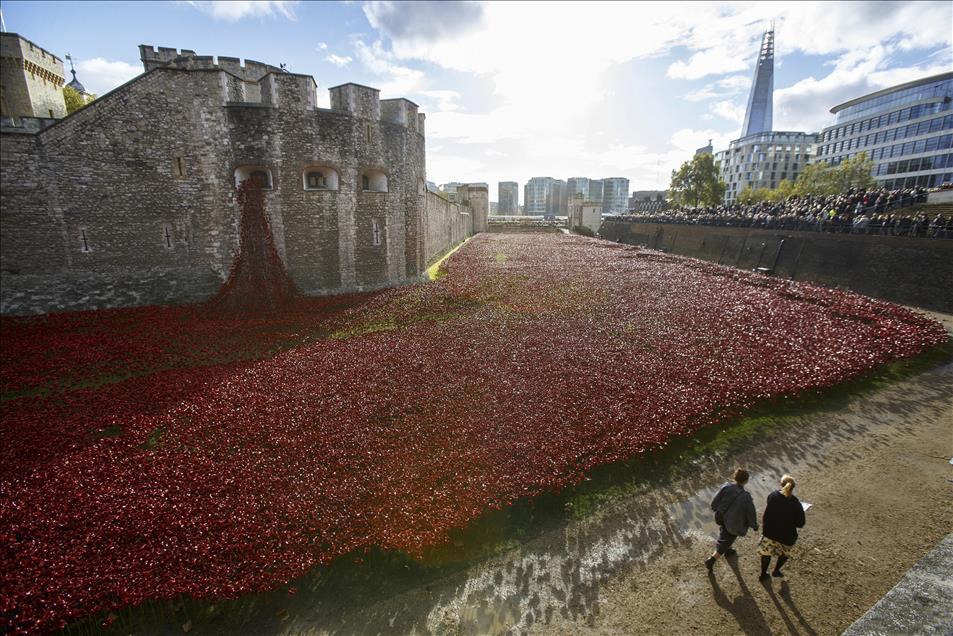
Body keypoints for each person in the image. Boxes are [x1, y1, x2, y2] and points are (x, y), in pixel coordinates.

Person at [705, 467, 759, 573]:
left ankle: (728, 550)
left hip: (721, 517)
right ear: (746, 481)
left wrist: (716, 508)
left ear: (734, 477)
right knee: (725, 540)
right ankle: (711, 560)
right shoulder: (746, 497)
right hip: (733, 524)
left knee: (724, 532)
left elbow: (715, 501)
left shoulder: (726, 486)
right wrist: (754, 525)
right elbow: (751, 513)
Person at [758, 474, 806, 581]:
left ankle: (763, 574)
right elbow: (801, 523)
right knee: (784, 554)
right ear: (793, 488)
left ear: (781, 484)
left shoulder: (772, 496)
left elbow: (767, 512)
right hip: (787, 536)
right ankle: (776, 570)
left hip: (770, 532)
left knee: (766, 554)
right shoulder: (796, 503)